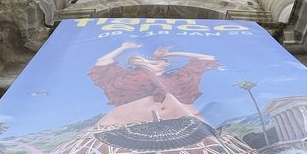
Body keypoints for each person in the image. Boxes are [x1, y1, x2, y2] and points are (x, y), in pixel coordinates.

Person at [88, 41, 218, 126]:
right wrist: (124, 48)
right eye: (143, 59)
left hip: (184, 127)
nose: (149, 61)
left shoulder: (179, 77)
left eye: (156, 60)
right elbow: (102, 62)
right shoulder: (129, 76)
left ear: (166, 63)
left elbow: (207, 59)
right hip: (123, 128)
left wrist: (170, 54)